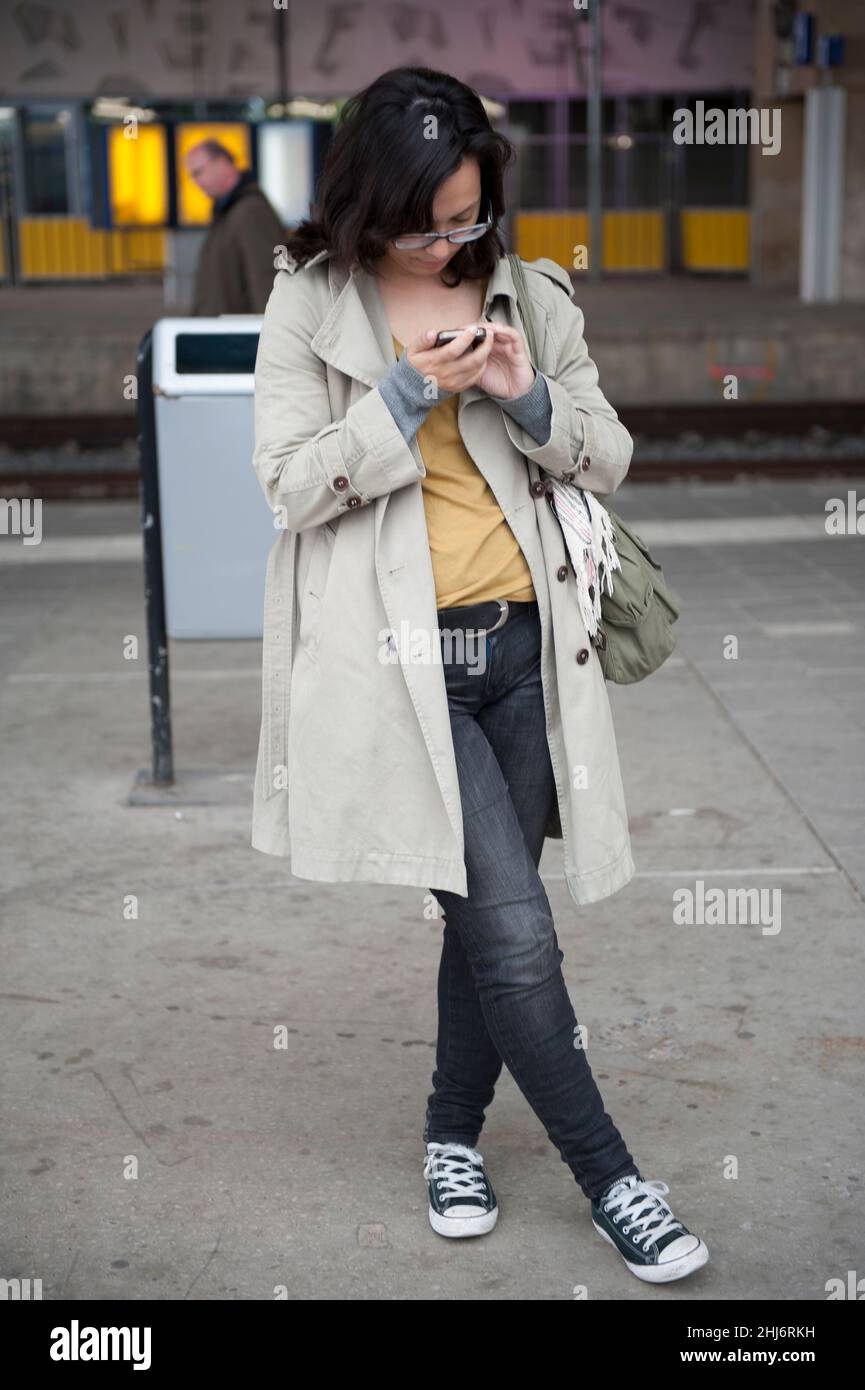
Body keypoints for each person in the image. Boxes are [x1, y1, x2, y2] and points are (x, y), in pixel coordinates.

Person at [250, 66, 709, 1286]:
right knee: (512, 933)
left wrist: (523, 392)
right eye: (428, 223)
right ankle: (615, 1179)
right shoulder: (311, 303)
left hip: (525, 658)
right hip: (399, 672)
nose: (452, 241)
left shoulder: (528, 292)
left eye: (468, 216)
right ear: (367, 204)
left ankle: (451, 1136)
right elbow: (288, 485)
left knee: (475, 930)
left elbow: (606, 453)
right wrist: (405, 393)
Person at [185, 139, 285, 315]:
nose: (195, 181)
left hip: (238, 335)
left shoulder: (250, 211)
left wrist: (270, 335)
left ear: (221, 163)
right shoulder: (228, 212)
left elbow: (266, 278)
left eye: (198, 172)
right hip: (226, 332)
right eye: (192, 175)